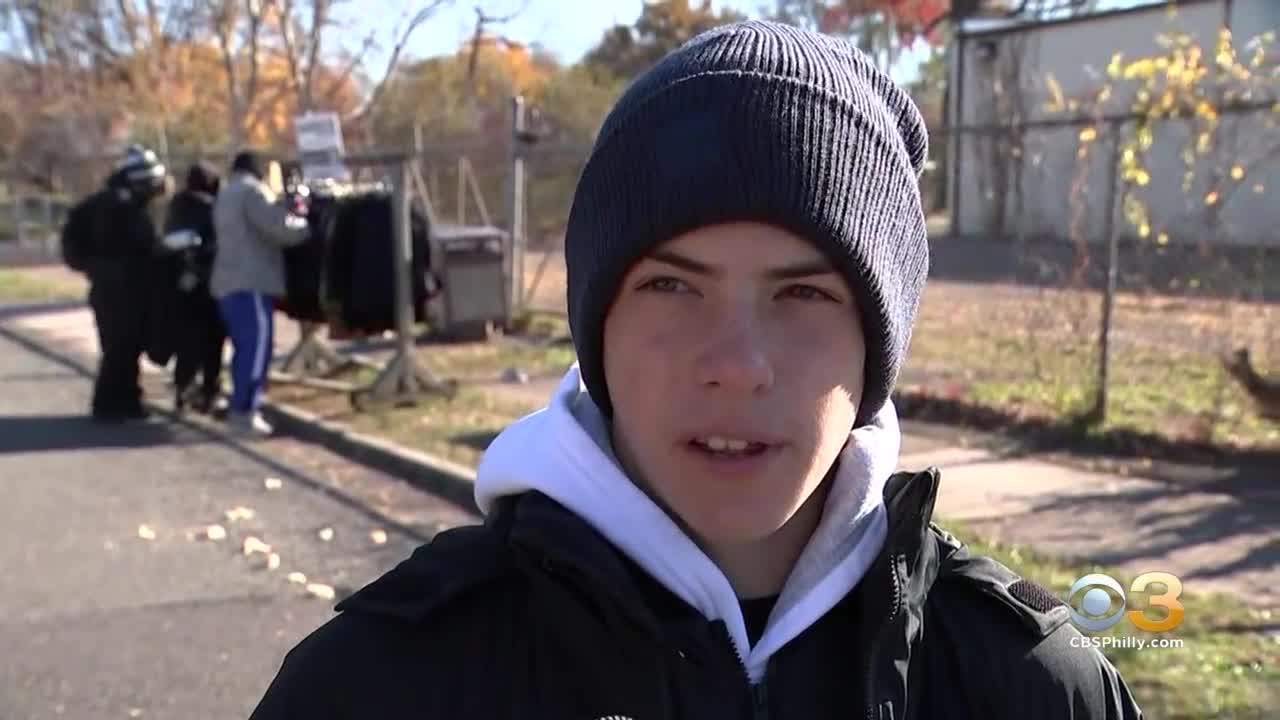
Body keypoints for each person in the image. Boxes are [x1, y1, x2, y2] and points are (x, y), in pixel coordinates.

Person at [248, 21, 1144, 719]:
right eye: (673, 285)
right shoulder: (380, 686)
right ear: (597, 325)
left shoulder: (1031, 686)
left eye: (804, 295)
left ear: (877, 346)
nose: (736, 365)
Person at [61, 145, 167, 423]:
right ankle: (111, 403)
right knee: (120, 346)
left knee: (124, 346)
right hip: (119, 288)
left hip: (116, 286)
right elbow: (138, 245)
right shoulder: (118, 207)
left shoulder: (114, 204)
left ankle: (125, 399)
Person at [210, 150, 308, 438]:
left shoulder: (226, 194)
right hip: (249, 282)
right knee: (256, 351)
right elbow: (279, 228)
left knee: (245, 350)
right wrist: (304, 221)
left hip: (228, 281)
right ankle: (245, 413)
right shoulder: (252, 193)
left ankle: (242, 410)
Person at [162, 161, 226, 415]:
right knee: (213, 339)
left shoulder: (176, 207)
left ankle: (183, 387)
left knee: (188, 338)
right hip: (209, 280)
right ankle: (210, 390)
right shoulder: (211, 208)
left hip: (181, 282)